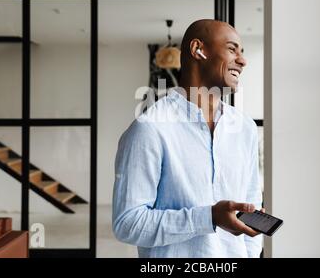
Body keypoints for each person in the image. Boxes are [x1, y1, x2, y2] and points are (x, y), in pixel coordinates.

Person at [112, 19, 264, 258]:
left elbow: (251, 203)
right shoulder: (150, 129)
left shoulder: (245, 128)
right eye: (232, 49)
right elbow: (128, 224)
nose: (243, 61)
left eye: (242, 52)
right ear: (198, 50)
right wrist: (209, 217)